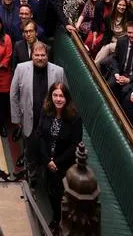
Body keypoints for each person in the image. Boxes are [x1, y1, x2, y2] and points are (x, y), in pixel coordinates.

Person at [10, 42, 66, 173]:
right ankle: (30, 175)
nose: (40, 58)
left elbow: (65, 95)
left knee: (48, 152)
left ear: (47, 55)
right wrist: (17, 119)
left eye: (43, 55)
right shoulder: (21, 68)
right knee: (30, 151)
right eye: (37, 55)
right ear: (32, 55)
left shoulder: (58, 71)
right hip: (30, 120)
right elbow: (13, 94)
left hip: (51, 122)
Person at [36, 82, 83, 232]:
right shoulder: (46, 111)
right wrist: (47, 160)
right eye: (55, 95)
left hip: (65, 164)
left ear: (66, 98)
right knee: (51, 191)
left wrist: (56, 162)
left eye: (61, 96)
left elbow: (74, 144)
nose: (58, 99)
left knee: (63, 195)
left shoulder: (74, 118)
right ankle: (56, 219)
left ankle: (64, 221)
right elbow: (40, 135)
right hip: (48, 161)